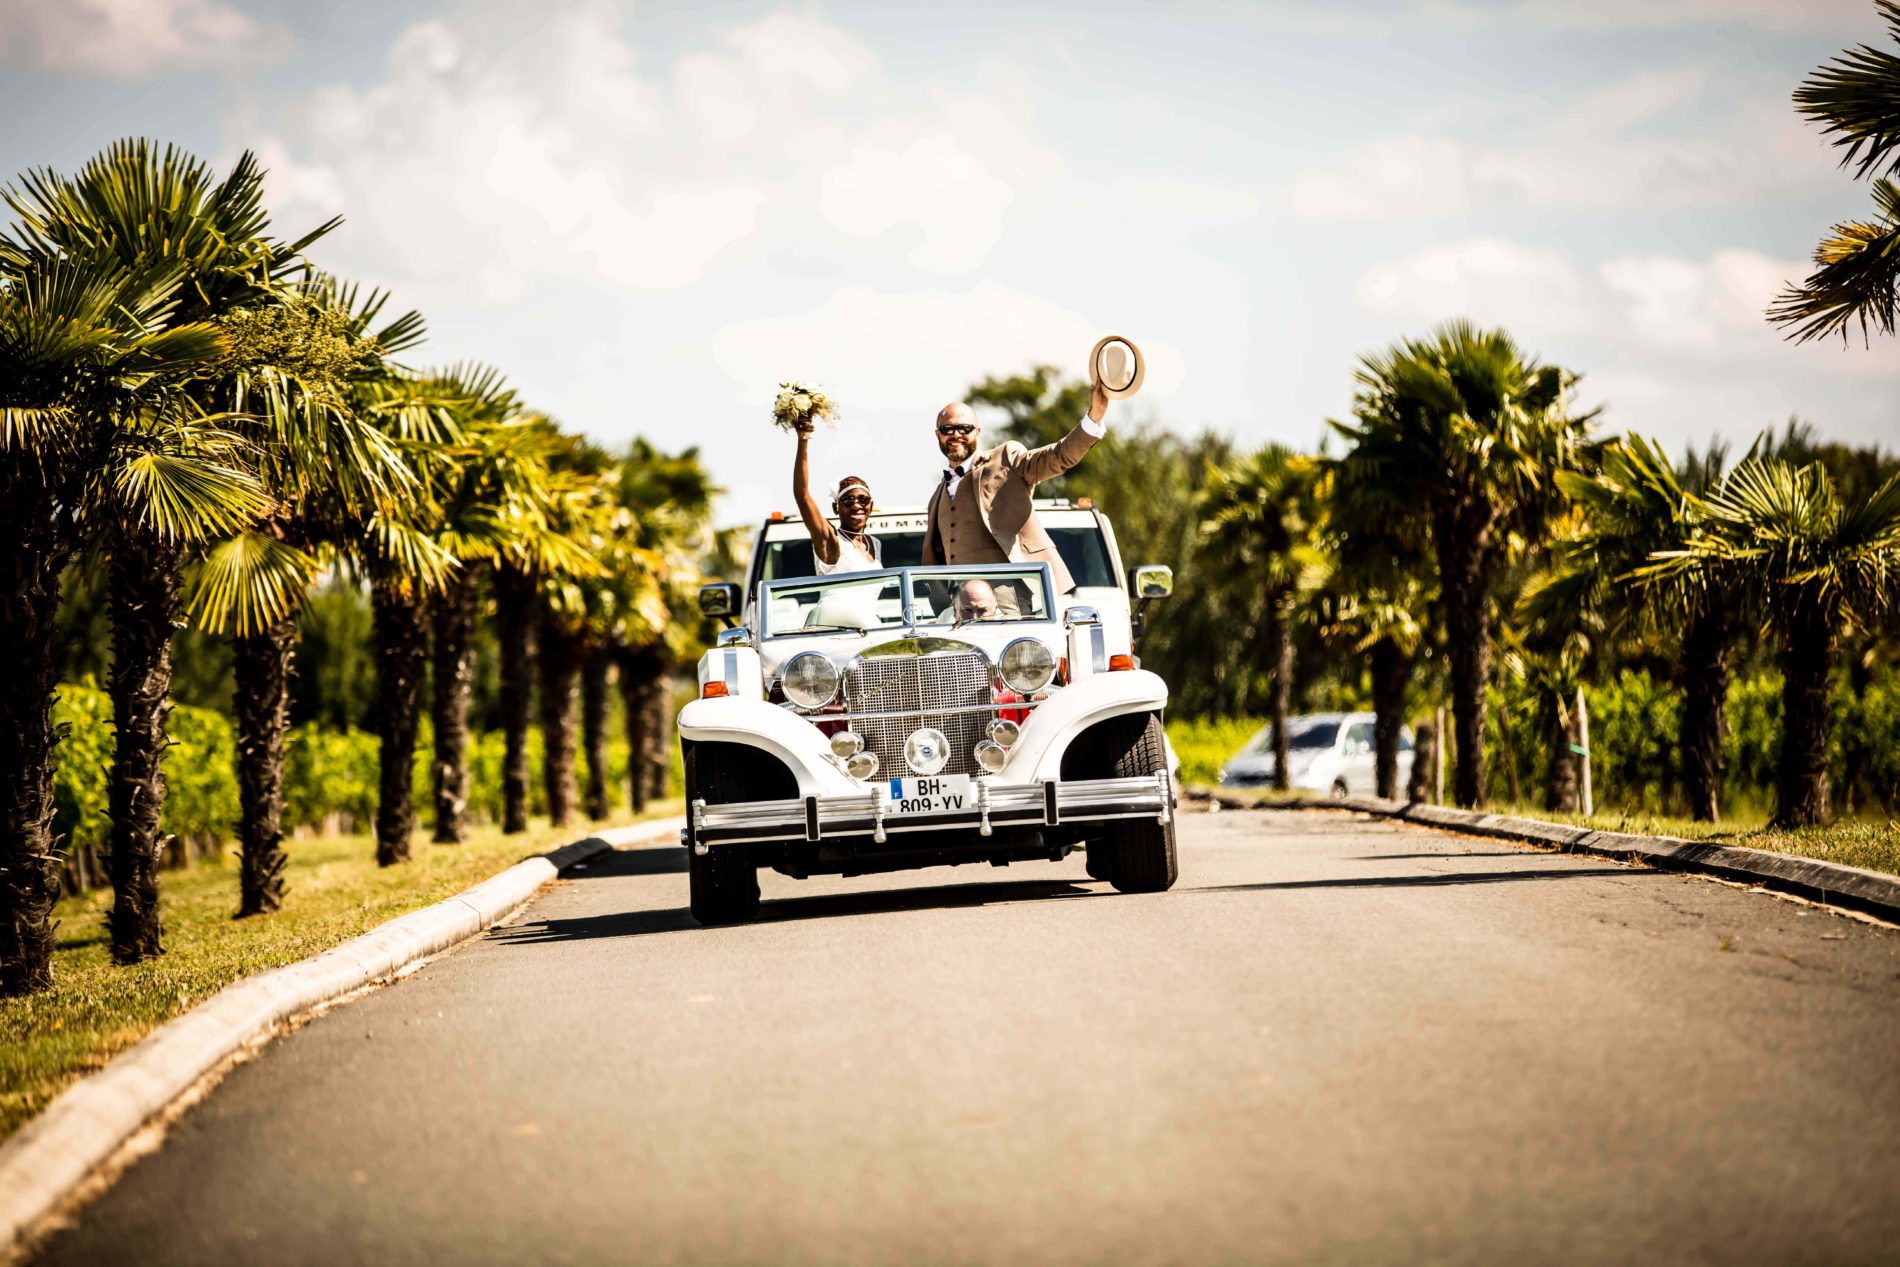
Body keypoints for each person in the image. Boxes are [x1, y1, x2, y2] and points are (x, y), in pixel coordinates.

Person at [921, 376, 1110, 594]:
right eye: (947, 429)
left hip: (1015, 598)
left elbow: (1058, 456)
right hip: (963, 607)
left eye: (964, 428)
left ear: (977, 432)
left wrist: (1094, 417)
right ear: (938, 435)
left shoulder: (1006, 459)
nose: (956, 435)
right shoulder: (937, 495)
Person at [790, 417, 881, 574]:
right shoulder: (831, 539)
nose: (857, 505)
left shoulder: (874, 544)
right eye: (848, 501)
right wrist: (803, 439)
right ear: (835, 507)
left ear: (871, 506)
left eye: (863, 500)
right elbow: (802, 496)